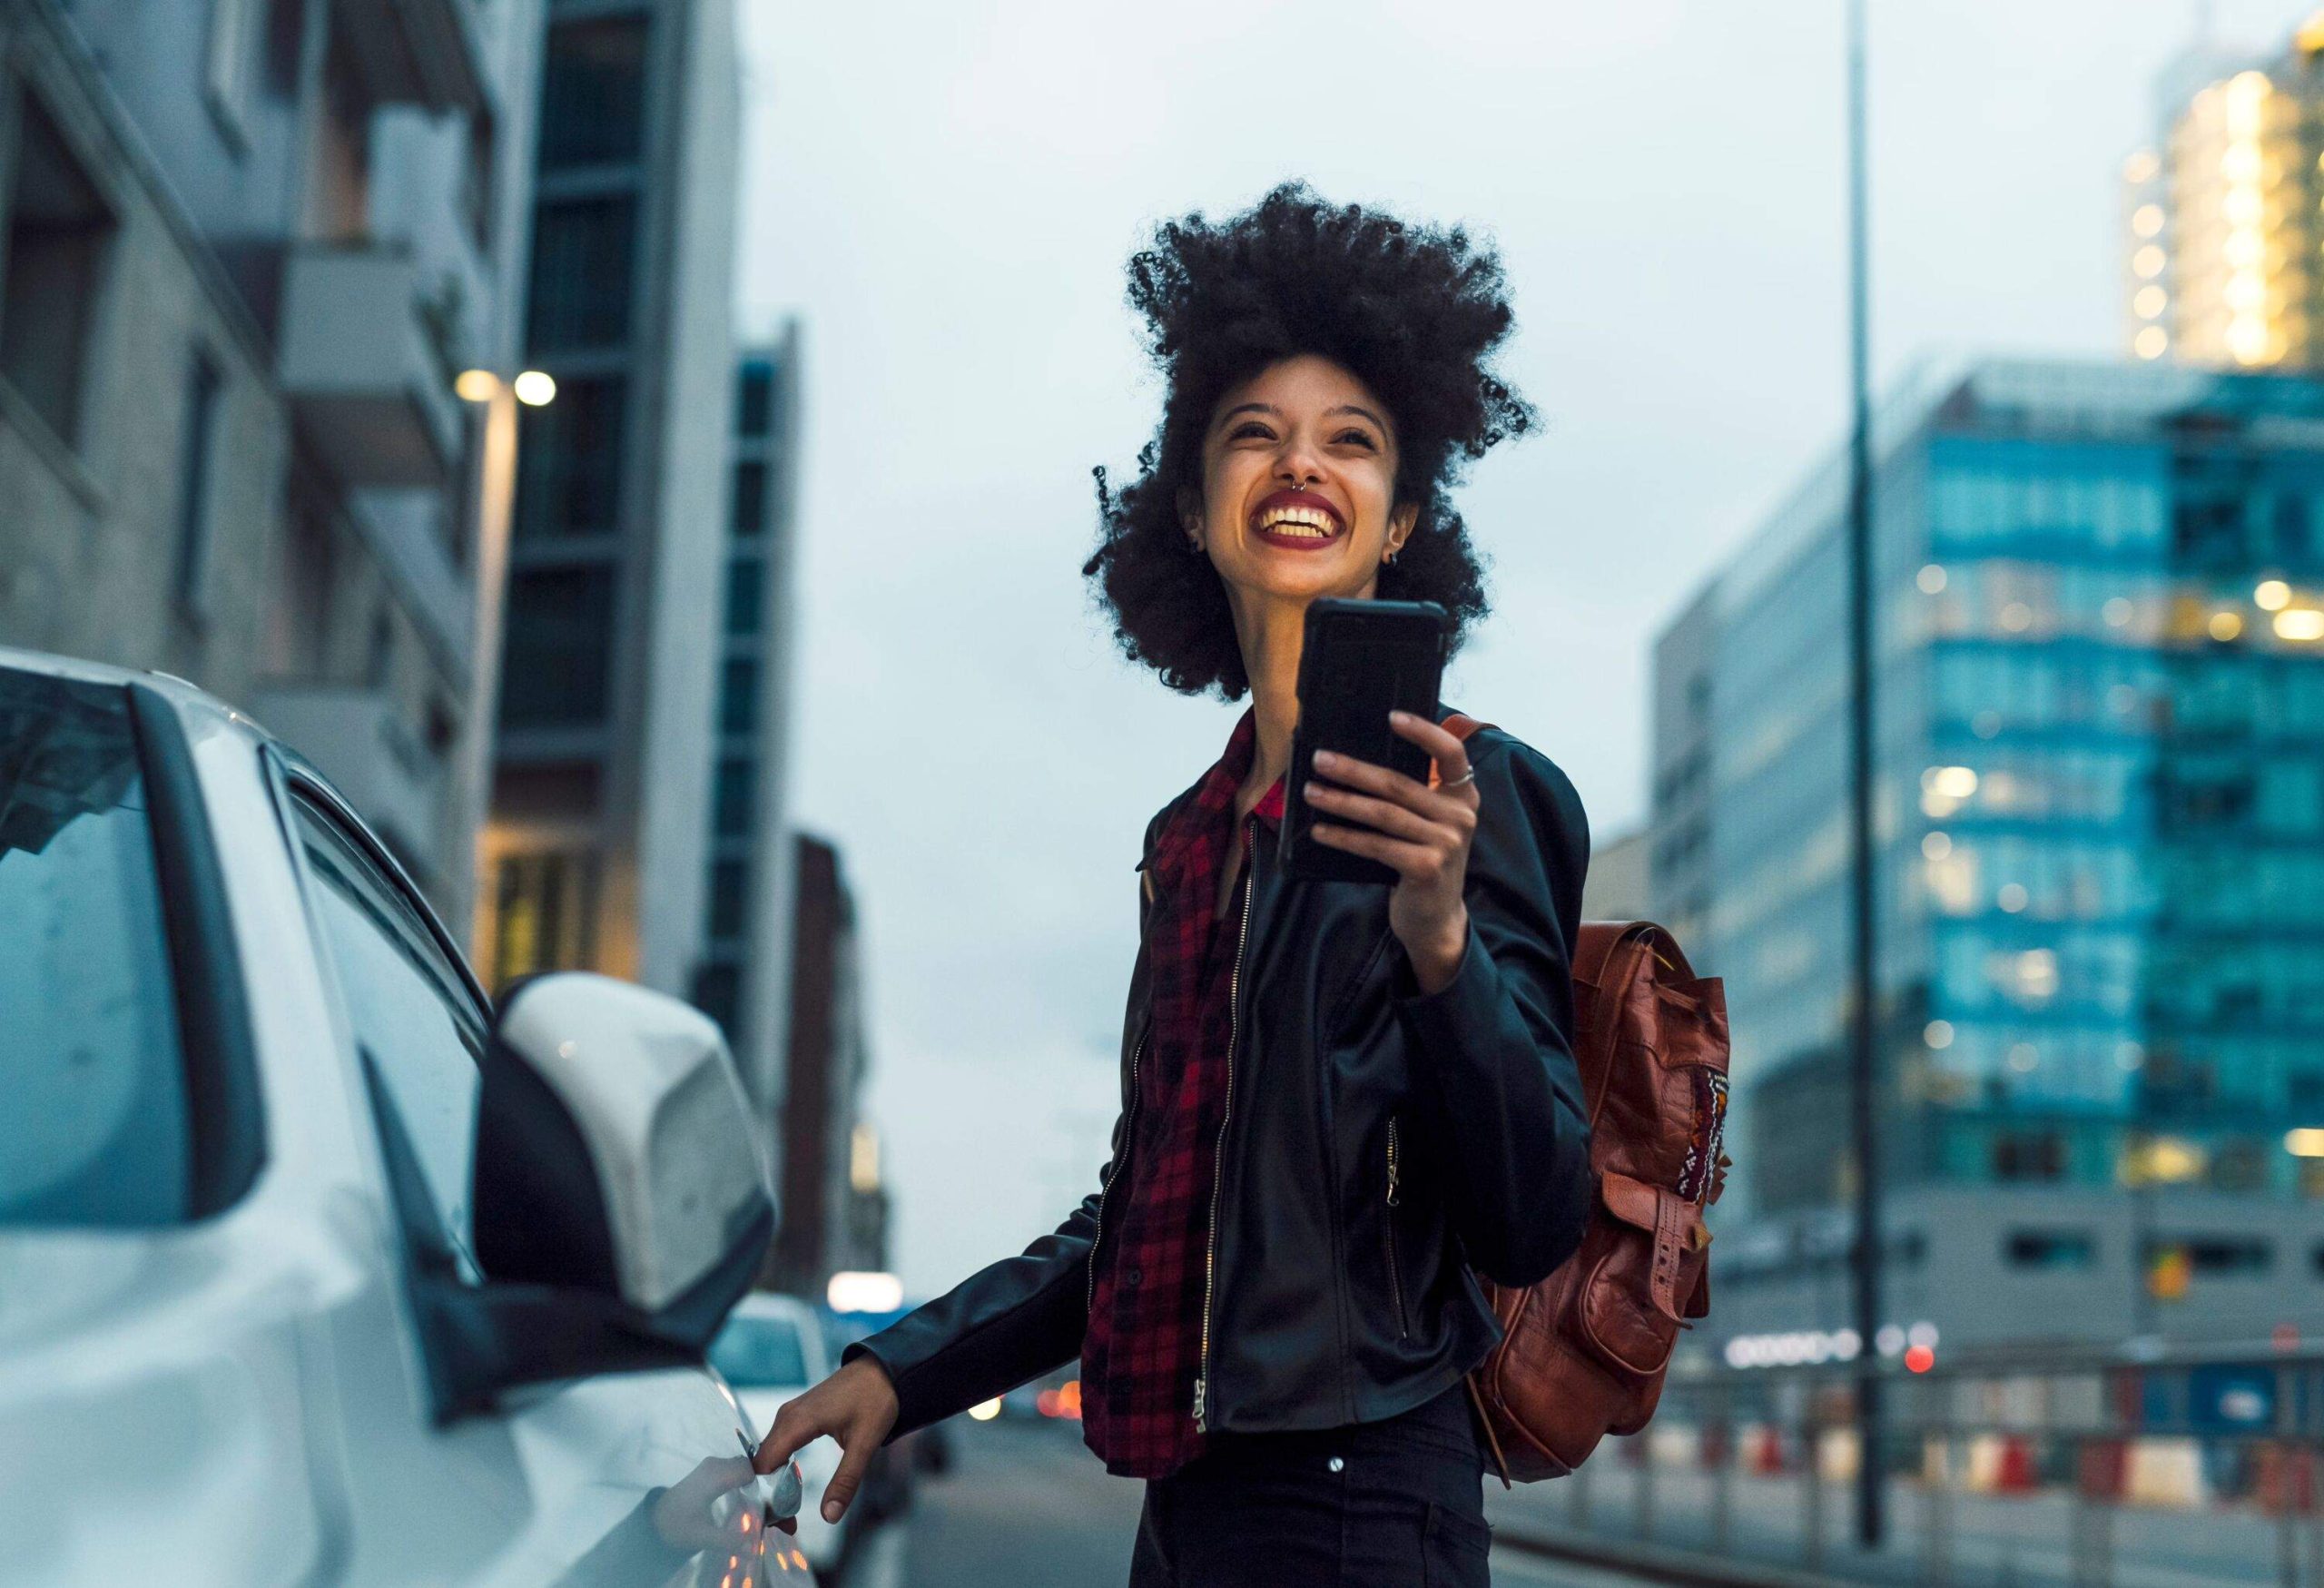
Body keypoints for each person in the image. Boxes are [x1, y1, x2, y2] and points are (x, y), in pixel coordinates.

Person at [753, 181, 1594, 1586]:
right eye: (1254, 436)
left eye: (1352, 442)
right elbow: (1148, 1213)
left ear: (1400, 519)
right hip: (1190, 1497)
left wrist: (1441, 944)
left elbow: (1533, 1209)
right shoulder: (1193, 836)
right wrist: (902, 1372)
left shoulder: (1475, 791)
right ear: (1199, 513)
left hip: (1366, 1490)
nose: (1301, 465)